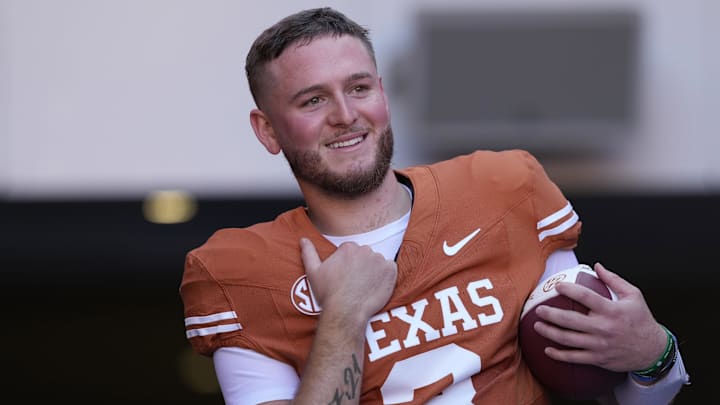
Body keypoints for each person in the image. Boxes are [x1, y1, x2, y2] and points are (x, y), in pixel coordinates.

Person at [180, 7, 690, 404]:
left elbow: (597, 383)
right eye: (312, 100)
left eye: (358, 88)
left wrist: (653, 355)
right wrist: (343, 317)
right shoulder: (238, 272)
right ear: (268, 130)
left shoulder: (502, 188)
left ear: (381, 93)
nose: (345, 115)